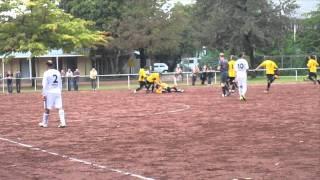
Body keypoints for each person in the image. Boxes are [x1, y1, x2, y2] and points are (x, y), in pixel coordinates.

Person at [39, 60, 66, 128]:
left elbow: (44, 84)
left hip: (49, 92)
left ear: (47, 65)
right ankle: (63, 122)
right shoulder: (57, 72)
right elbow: (60, 82)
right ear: (53, 65)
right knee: (59, 107)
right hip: (57, 91)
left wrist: (44, 94)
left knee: (47, 108)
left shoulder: (46, 73)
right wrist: (60, 90)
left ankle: (45, 123)